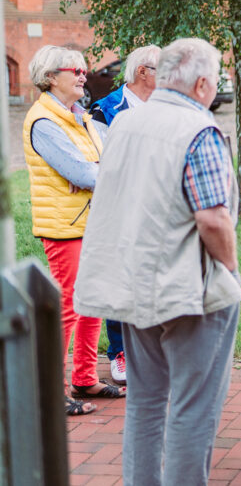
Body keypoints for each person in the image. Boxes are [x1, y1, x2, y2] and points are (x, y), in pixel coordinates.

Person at [74, 38, 241, 486]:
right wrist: (228, 269)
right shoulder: (198, 129)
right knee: (194, 407)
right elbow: (213, 218)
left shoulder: (123, 123)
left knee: (146, 403)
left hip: (133, 280)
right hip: (190, 288)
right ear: (204, 84)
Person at [21, 45, 126, 417]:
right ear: (51, 77)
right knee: (68, 306)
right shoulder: (44, 121)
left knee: (92, 301)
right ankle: (52, 390)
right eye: (75, 71)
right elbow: (82, 173)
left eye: (84, 70)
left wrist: (96, 172)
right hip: (65, 226)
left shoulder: (78, 115)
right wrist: (95, 173)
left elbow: (103, 162)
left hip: (92, 220)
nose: (84, 76)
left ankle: (84, 378)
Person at [88, 43, 161, 386]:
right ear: (143, 71)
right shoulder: (105, 109)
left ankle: (150, 350)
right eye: (164, 70)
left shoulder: (164, 108)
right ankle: (119, 351)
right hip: (117, 204)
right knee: (119, 278)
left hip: (156, 206)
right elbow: (101, 162)